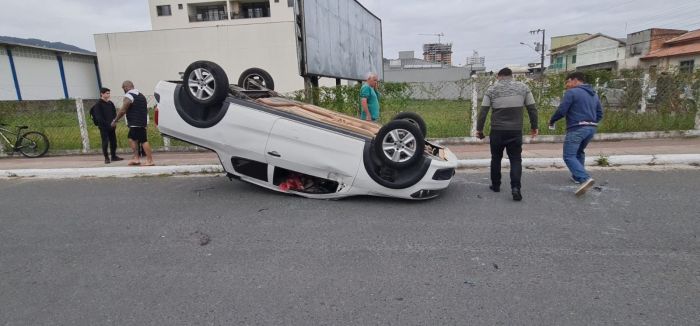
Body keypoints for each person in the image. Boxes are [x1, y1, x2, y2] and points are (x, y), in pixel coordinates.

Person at [476, 68, 538, 201]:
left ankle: (496, 185)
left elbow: (483, 111)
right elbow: (532, 108)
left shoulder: (492, 89)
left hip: (497, 131)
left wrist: (479, 130)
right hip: (515, 131)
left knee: (496, 158)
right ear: (511, 76)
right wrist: (534, 127)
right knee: (515, 159)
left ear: (499, 76)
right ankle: (516, 188)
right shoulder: (523, 87)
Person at [549, 72, 603, 196]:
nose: (566, 85)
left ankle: (584, 178)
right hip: (591, 128)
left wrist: (552, 120)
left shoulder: (572, 93)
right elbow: (600, 113)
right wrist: (591, 123)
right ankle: (577, 177)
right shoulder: (594, 94)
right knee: (579, 152)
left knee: (568, 155)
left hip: (577, 128)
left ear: (575, 80)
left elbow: (562, 110)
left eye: (567, 82)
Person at [111, 80, 155, 166]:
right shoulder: (141, 95)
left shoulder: (129, 95)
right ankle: (136, 158)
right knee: (131, 138)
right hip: (142, 121)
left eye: (123, 88)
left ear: (126, 87)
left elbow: (123, 110)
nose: (123, 90)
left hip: (135, 122)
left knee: (143, 141)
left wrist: (115, 120)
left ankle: (150, 160)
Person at [92, 87, 123, 164]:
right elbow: (99, 117)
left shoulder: (110, 103)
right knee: (105, 142)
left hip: (112, 126)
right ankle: (106, 158)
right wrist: (107, 125)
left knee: (113, 142)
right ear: (102, 94)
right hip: (104, 127)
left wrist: (114, 121)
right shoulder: (98, 104)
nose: (108, 95)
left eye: (109, 93)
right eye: (107, 93)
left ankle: (113, 156)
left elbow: (114, 114)